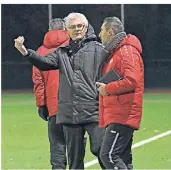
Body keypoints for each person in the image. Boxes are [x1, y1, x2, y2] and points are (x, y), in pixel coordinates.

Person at [14, 13, 109, 169]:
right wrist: (26, 52)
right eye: (73, 27)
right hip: (70, 114)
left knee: (100, 150)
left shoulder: (98, 49)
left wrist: (108, 90)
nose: (77, 29)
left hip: (93, 110)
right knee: (74, 160)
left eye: (80, 26)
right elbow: (44, 63)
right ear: (67, 30)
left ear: (86, 28)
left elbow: (112, 71)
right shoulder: (61, 52)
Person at [97, 17, 144, 170]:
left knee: (108, 156)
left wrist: (107, 89)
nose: (99, 34)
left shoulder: (127, 51)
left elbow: (132, 81)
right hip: (118, 112)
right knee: (123, 158)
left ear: (110, 32)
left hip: (123, 114)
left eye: (102, 31)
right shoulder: (117, 52)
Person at [32, 18, 70, 169]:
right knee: (75, 145)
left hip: (54, 107)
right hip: (73, 105)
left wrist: (42, 104)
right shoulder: (72, 47)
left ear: (49, 30)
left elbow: (38, 82)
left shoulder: (40, 52)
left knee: (57, 143)